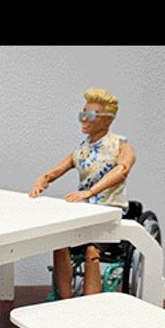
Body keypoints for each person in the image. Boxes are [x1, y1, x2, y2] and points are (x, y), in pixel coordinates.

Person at [28, 87, 136, 298]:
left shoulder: (120, 145)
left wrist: (91, 192)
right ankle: (65, 300)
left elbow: (122, 170)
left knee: (91, 251)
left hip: (108, 211)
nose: (84, 119)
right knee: (59, 243)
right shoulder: (81, 150)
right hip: (83, 213)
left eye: (91, 115)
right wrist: (42, 181)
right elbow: (55, 171)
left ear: (108, 119)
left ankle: (89, 305)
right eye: (82, 114)